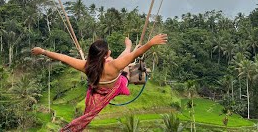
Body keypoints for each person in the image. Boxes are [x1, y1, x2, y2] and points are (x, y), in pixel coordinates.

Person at [31, 34, 167, 131]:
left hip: (97, 90)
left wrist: (43, 51)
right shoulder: (113, 66)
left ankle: (128, 47)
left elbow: (64, 58)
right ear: (106, 54)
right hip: (117, 85)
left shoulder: (86, 65)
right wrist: (145, 44)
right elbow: (133, 56)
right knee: (124, 65)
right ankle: (129, 47)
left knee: (121, 61)